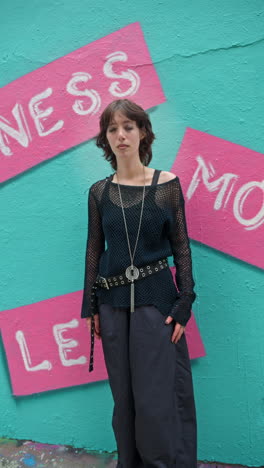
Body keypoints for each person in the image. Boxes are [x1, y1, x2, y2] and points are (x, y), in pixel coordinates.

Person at [81, 99, 197, 468]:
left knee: (156, 399)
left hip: (157, 305)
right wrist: (90, 308)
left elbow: (182, 248)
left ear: (143, 132)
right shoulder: (99, 192)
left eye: (128, 127)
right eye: (112, 129)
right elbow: (94, 250)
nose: (120, 135)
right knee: (125, 400)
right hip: (113, 306)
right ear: (106, 138)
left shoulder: (167, 185)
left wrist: (184, 304)